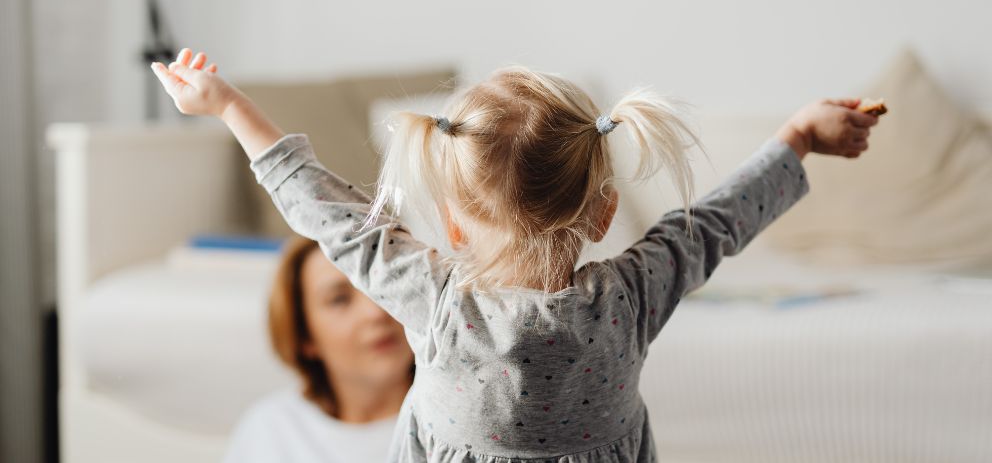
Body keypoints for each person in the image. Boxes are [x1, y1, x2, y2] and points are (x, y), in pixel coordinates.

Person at [153, 47, 883, 462]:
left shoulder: (438, 302)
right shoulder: (632, 294)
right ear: (602, 214)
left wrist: (224, 104)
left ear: (454, 226)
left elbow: (322, 208)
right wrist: (800, 135)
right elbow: (723, 219)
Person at [223, 235, 414, 463]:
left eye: (382, 285)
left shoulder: (453, 430)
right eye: (339, 299)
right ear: (305, 336)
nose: (376, 312)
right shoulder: (269, 431)